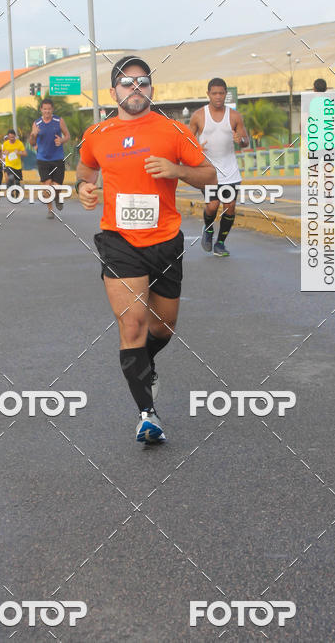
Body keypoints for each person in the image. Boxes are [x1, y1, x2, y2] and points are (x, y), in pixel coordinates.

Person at [77, 56, 216, 445]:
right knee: (133, 323)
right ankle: (147, 414)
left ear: (151, 89)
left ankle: (145, 364)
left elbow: (210, 176)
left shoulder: (172, 131)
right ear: (113, 92)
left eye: (142, 82)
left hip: (165, 240)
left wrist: (178, 172)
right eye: (126, 83)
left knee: (163, 327)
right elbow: (85, 170)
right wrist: (84, 189)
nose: (135, 89)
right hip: (119, 241)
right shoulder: (97, 134)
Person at [189, 78, 248, 257]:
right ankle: (208, 229)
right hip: (207, 172)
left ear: (225, 94)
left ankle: (220, 243)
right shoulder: (198, 116)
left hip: (230, 171)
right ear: (208, 94)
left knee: (229, 207)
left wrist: (242, 141)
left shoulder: (234, 116)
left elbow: (245, 141)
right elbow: (186, 142)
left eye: (221, 93)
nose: (218, 96)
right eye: (214, 93)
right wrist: (196, 148)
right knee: (213, 206)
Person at [29, 98, 70, 219]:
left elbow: (67, 135)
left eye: (49, 109)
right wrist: (33, 134)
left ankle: (57, 196)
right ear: (41, 109)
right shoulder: (37, 123)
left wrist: (62, 140)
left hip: (57, 158)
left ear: (52, 109)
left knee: (56, 187)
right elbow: (31, 142)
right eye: (45, 109)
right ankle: (50, 210)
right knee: (47, 188)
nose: (47, 111)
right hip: (43, 159)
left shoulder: (59, 120)